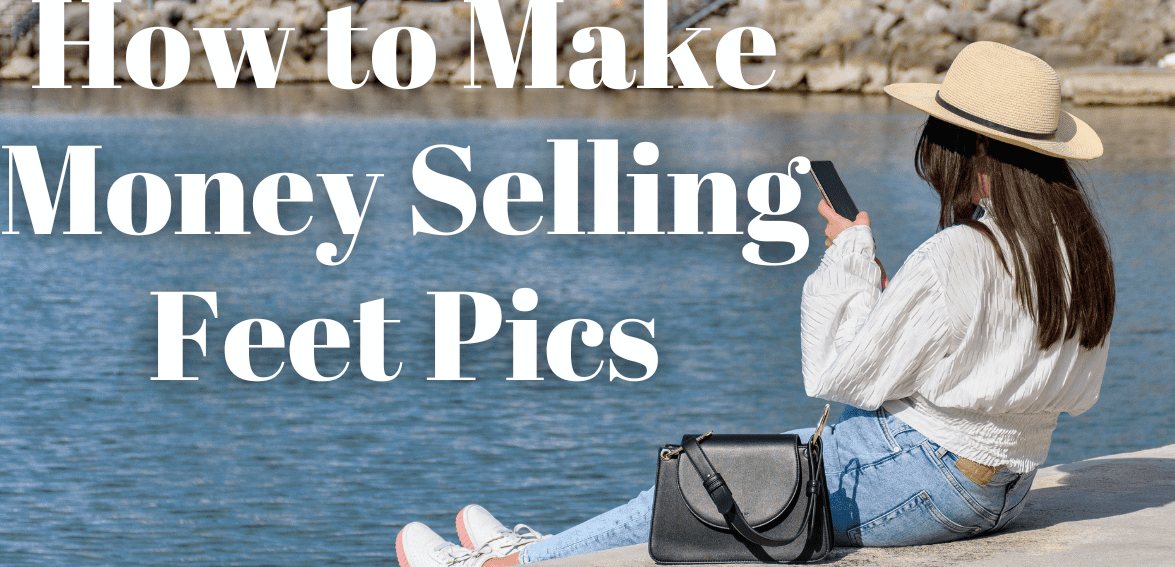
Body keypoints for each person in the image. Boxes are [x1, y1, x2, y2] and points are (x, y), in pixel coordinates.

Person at [394, 41, 1115, 567]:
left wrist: (848, 252)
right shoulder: (1071, 251)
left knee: (702, 483)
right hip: (1006, 482)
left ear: (973, 154)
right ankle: (544, 548)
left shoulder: (963, 253)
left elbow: (836, 372)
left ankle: (510, 564)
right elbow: (987, 365)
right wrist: (890, 302)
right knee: (749, 466)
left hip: (934, 477)